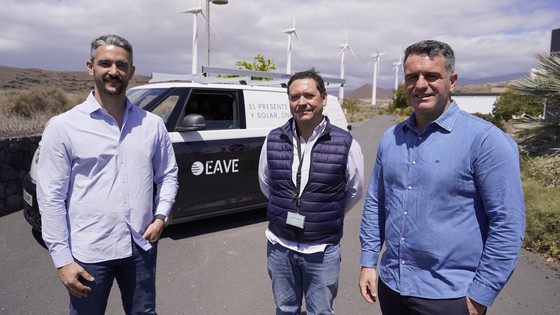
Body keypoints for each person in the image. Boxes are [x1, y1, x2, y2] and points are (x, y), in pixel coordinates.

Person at [358, 39, 525, 315]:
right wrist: (367, 261)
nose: (420, 84)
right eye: (412, 77)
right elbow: (376, 202)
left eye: (432, 76)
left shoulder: (486, 141)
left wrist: (480, 297)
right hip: (392, 286)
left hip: (450, 296)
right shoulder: (391, 138)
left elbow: (507, 225)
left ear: (453, 81)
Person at [37, 34, 178, 315]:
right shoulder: (63, 126)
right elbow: (50, 197)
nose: (114, 71)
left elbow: (169, 174)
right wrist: (62, 259)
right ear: (91, 67)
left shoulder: (152, 125)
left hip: (141, 247)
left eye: (121, 65)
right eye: (105, 63)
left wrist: (161, 216)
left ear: (131, 72)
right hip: (89, 252)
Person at [258, 68, 364, 314]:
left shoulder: (346, 143)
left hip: (322, 249)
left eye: (309, 95)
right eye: (295, 97)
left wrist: (324, 212)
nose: (301, 102)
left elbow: (354, 190)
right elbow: (266, 184)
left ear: (323, 98)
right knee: (285, 308)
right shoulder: (273, 139)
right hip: (279, 245)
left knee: (321, 311)